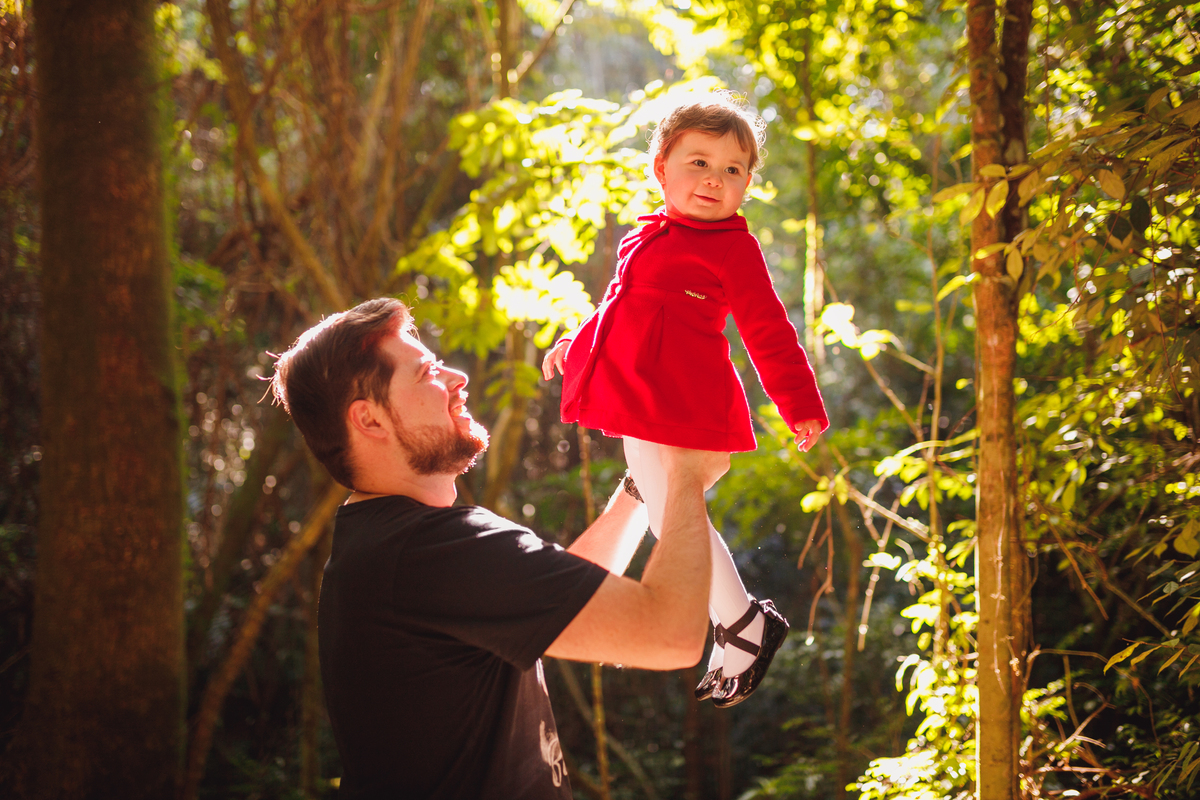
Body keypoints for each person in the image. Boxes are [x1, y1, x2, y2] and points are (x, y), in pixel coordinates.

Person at [269, 297, 729, 800]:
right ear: (370, 420)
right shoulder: (429, 552)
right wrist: (686, 475)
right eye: (427, 372)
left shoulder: (389, 545)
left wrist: (644, 484)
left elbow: (561, 600)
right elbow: (670, 635)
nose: (457, 376)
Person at [542, 92, 829, 708]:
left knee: (675, 511)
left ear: (747, 184)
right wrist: (578, 345)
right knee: (663, 510)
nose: (714, 179)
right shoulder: (644, 238)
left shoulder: (732, 248)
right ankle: (740, 624)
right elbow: (618, 309)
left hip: (684, 400)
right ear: (661, 167)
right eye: (698, 162)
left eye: (732, 170)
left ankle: (743, 622)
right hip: (640, 394)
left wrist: (798, 402)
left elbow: (769, 330)